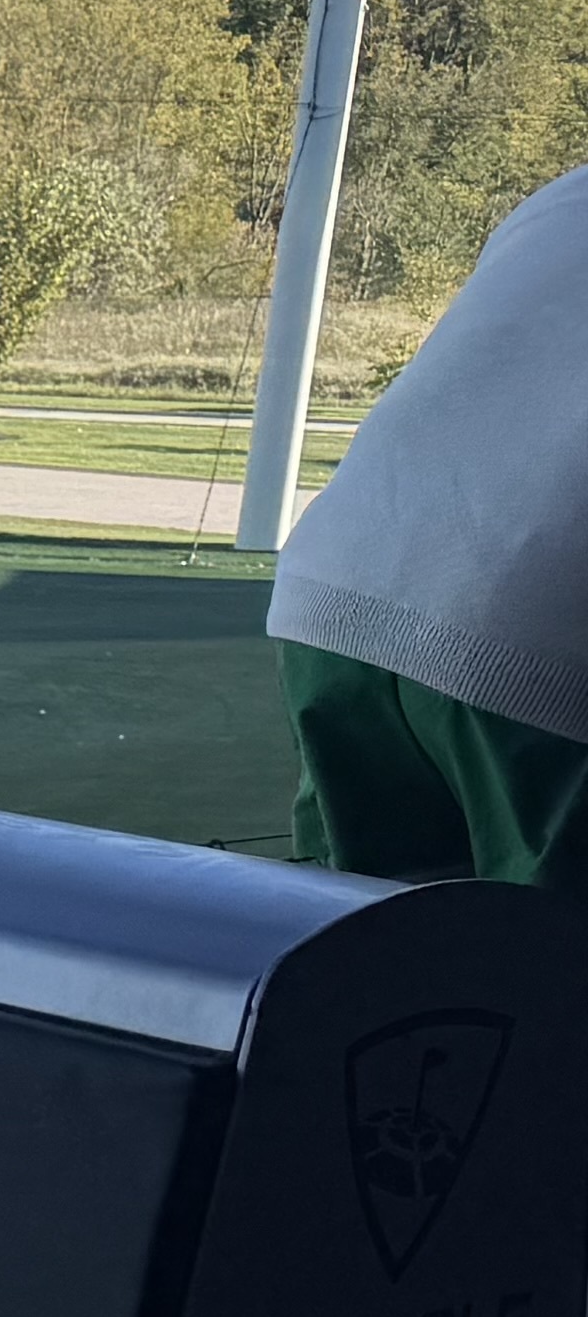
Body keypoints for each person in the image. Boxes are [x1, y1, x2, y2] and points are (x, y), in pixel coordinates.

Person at [269, 161, 588, 886]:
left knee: (377, 956)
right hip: (539, 640)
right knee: (548, 972)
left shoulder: (567, 193)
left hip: (334, 594)